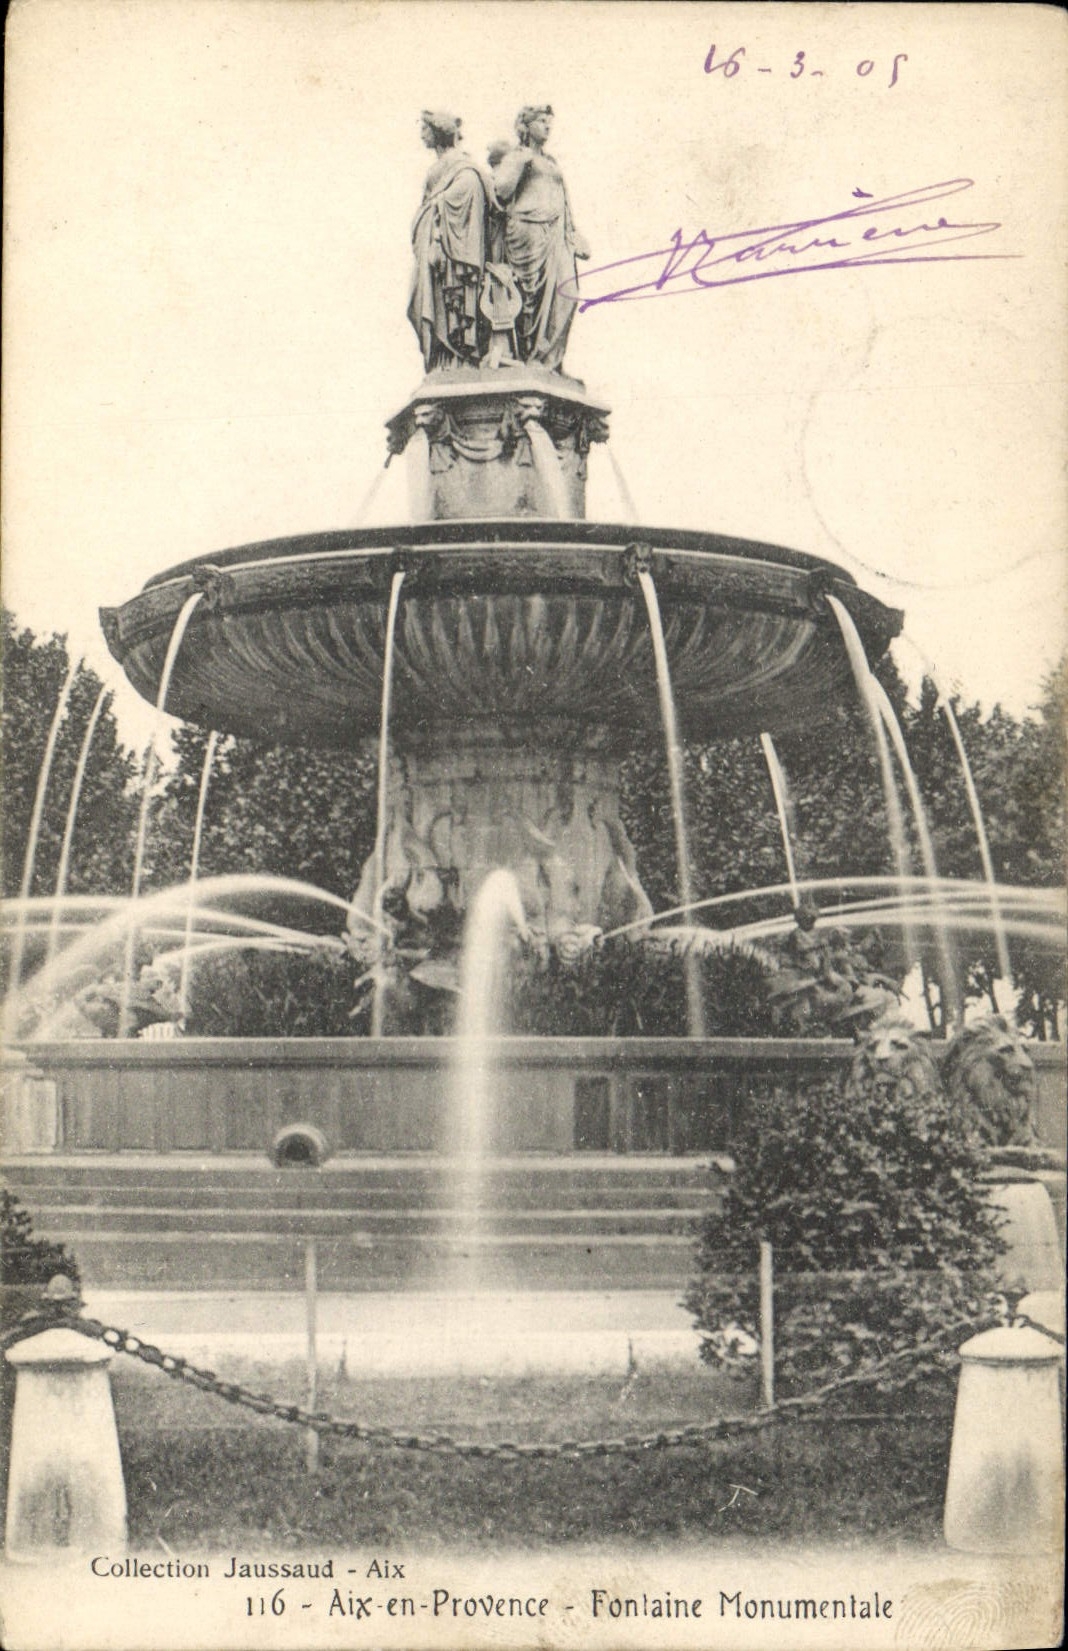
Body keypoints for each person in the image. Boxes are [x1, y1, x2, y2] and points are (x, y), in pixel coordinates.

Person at [491, 106, 590, 371]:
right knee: (529, 298)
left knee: (567, 292)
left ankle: (549, 360)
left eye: (549, 122)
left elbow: (564, 200)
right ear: (525, 125)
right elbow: (500, 191)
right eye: (541, 121)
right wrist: (520, 164)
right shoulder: (517, 156)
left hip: (555, 234)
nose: (548, 126)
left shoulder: (552, 162)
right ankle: (531, 358)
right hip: (527, 234)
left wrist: (573, 232)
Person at [407, 111, 492, 371]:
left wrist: (437, 213)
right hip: (434, 249)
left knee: (453, 302)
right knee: (430, 299)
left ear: (438, 131)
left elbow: (468, 191)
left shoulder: (462, 166)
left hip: (453, 251)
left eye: (425, 128)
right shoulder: (438, 167)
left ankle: (458, 357)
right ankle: (443, 358)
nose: (421, 133)